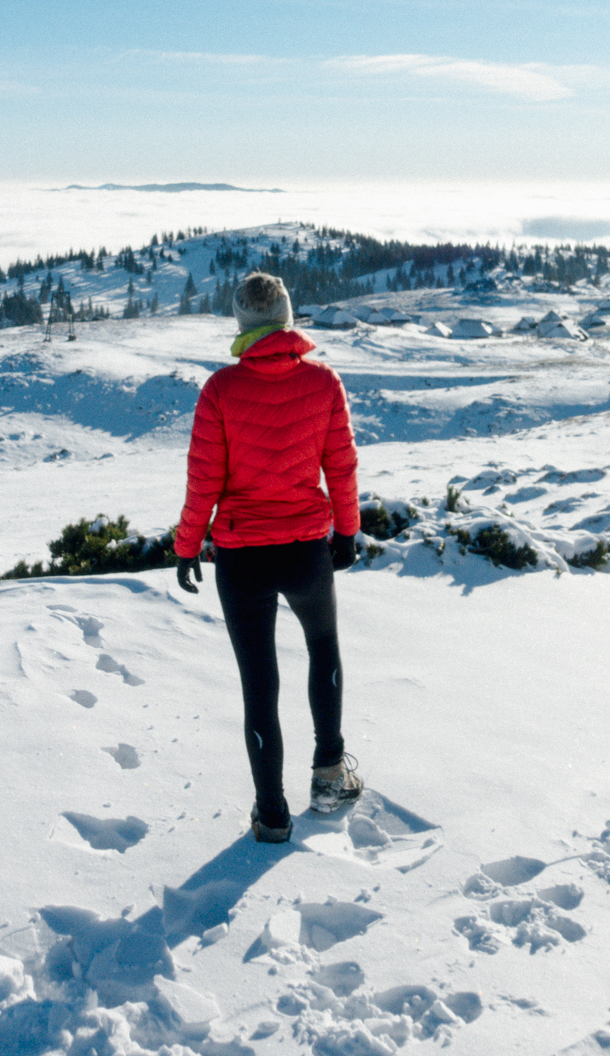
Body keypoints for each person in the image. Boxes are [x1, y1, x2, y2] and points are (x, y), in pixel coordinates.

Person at [174, 269, 364, 842]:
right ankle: (329, 776)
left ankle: (272, 813)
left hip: (242, 556)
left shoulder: (220, 391)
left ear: (241, 324)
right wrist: (348, 533)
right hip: (307, 548)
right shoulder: (324, 382)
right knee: (322, 647)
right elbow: (342, 465)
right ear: (288, 317)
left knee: (260, 684)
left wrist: (187, 546)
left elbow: (202, 481)